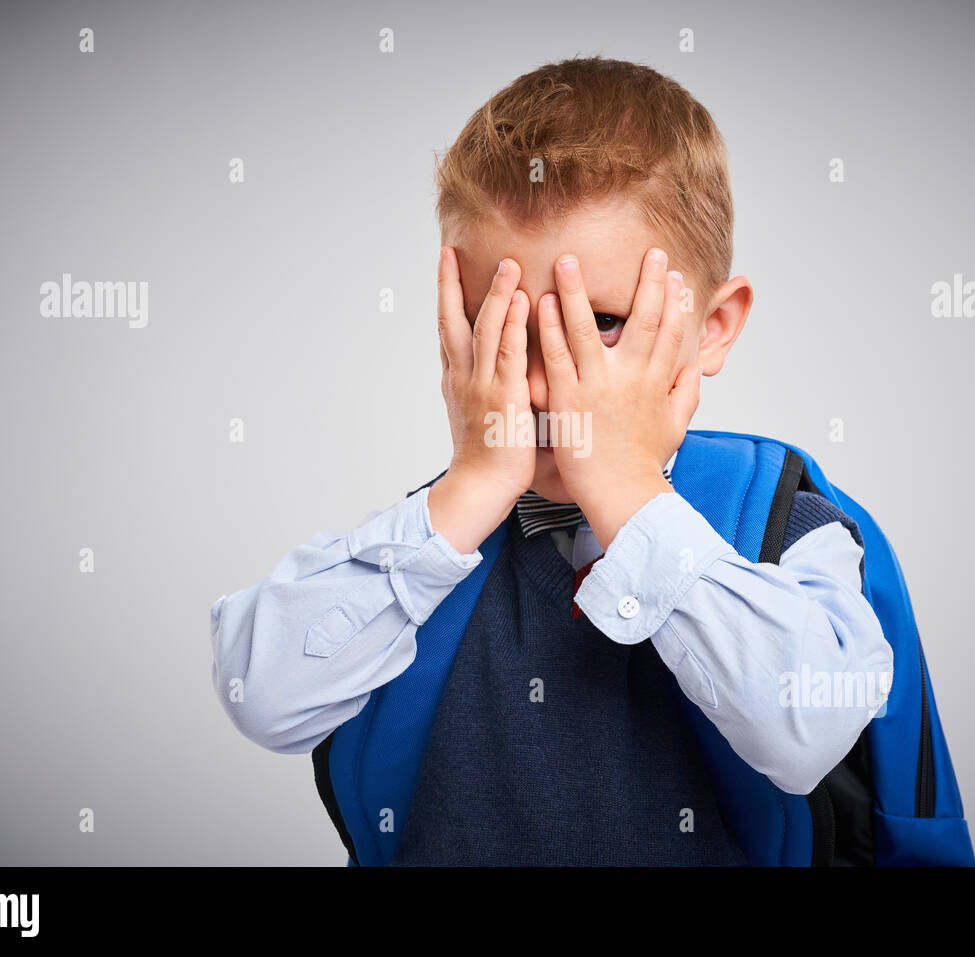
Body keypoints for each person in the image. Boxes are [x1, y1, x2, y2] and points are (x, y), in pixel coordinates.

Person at [209, 55, 892, 865]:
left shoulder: (782, 522)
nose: (541, 379)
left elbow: (805, 730)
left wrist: (632, 497)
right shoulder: (430, 542)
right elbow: (265, 696)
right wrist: (470, 487)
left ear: (712, 328)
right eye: (496, 322)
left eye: (597, 321)